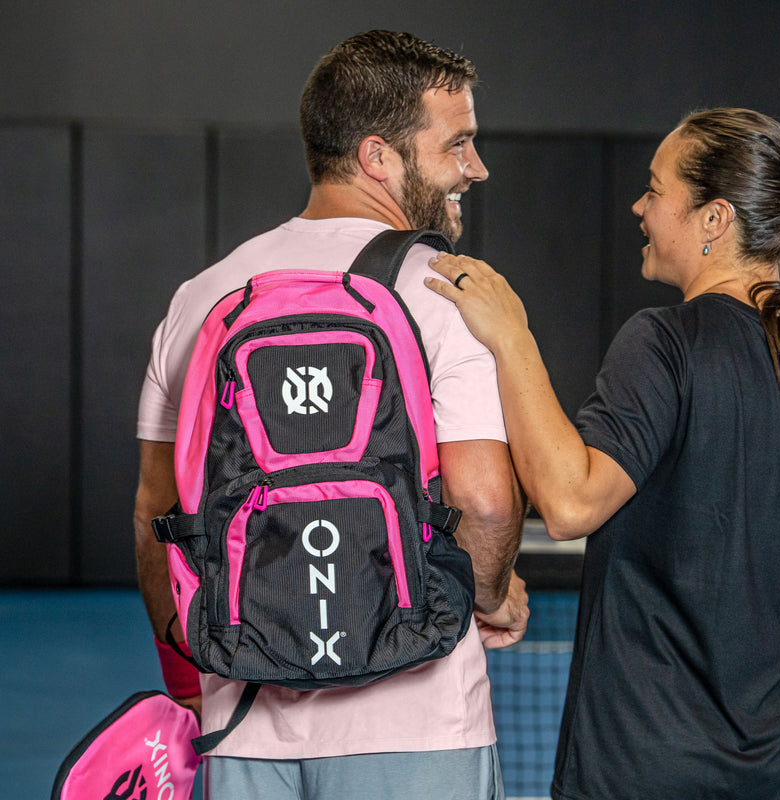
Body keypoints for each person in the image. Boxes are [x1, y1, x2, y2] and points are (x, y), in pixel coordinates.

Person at [134, 30, 528, 800]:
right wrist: (491, 594)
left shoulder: (200, 298)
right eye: (459, 144)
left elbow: (157, 514)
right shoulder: (448, 294)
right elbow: (482, 499)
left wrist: (195, 673)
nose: (475, 168)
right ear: (378, 156)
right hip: (421, 727)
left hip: (244, 721)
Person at [426, 107, 780, 799]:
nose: (639, 206)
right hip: (777, 771)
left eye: (656, 191)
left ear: (714, 219)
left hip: (640, 769)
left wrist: (513, 337)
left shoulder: (666, 341)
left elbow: (570, 503)